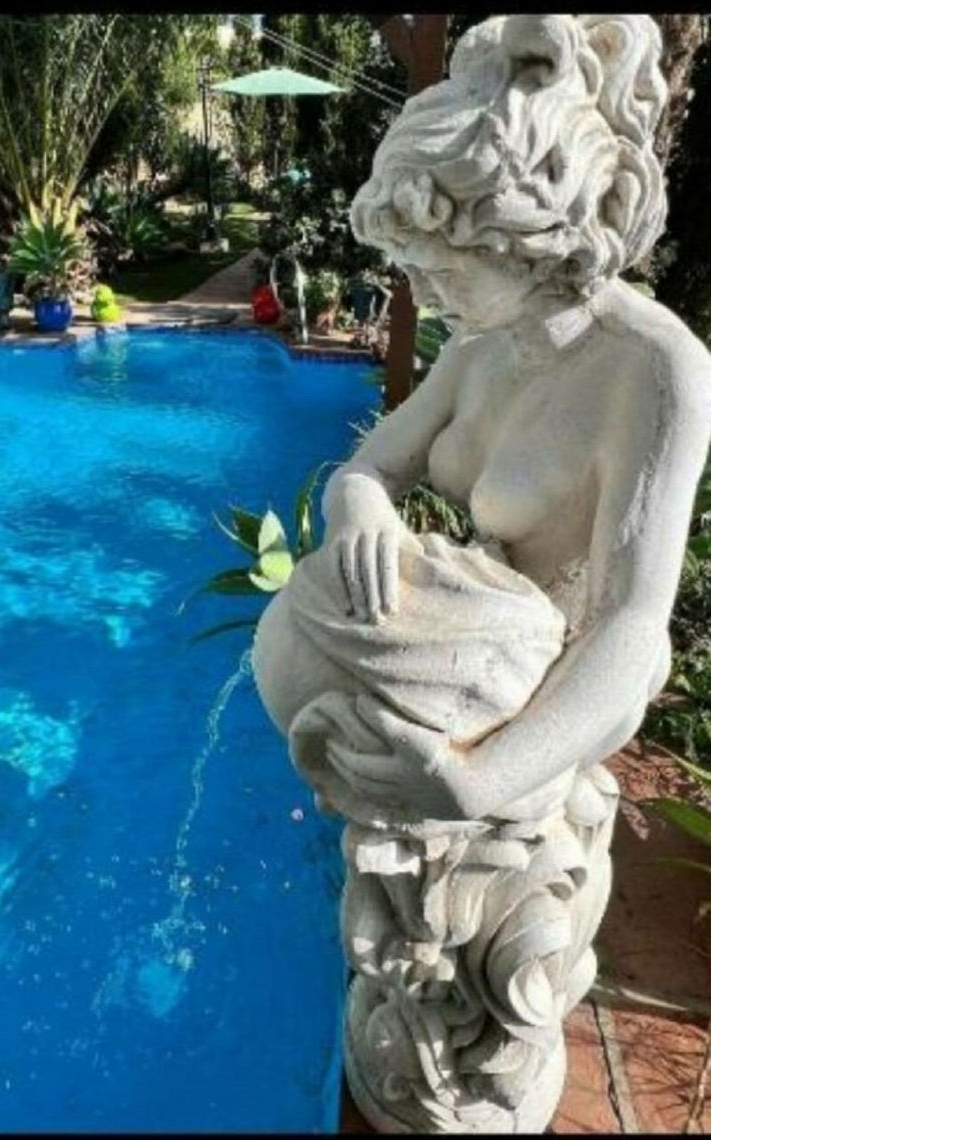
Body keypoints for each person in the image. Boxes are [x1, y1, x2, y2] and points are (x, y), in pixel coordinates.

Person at [247, 15, 711, 1132]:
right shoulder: (482, 343)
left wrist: (480, 780)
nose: (420, 283)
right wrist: (361, 507)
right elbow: (370, 467)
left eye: (444, 262)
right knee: (306, 627)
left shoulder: (656, 372)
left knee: (476, 998)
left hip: (532, 706)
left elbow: (632, 629)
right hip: (455, 648)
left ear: (532, 235)